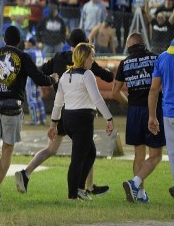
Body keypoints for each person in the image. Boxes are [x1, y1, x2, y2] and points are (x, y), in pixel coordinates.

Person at [15, 29, 114, 196]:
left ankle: (26, 172)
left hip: (61, 111)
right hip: (80, 112)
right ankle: (85, 188)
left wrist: (52, 77)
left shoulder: (58, 58)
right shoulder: (85, 61)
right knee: (86, 150)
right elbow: (108, 78)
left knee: (52, 149)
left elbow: (39, 71)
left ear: (70, 43)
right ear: (84, 45)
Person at [0, 25, 55, 198]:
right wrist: (52, 78)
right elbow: (39, 79)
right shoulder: (23, 57)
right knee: (7, 149)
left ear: (4, 39)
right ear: (19, 41)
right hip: (12, 108)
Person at [48, 43, 114, 200]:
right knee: (78, 158)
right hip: (82, 119)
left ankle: (79, 188)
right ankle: (73, 194)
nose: (94, 58)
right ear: (84, 57)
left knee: (90, 153)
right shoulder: (87, 75)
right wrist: (109, 118)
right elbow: (97, 99)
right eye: (92, 55)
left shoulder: (65, 74)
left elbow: (58, 103)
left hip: (68, 118)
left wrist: (53, 124)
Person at [114, 33, 162, 203]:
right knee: (156, 155)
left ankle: (140, 193)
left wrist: (127, 104)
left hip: (134, 111)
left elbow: (115, 91)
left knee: (138, 153)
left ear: (130, 45)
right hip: (152, 109)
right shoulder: (156, 59)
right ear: (143, 43)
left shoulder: (125, 62)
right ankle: (135, 184)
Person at [148, 39, 174, 200]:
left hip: (168, 113)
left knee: (172, 152)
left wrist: (152, 115)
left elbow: (154, 89)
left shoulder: (162, 58)